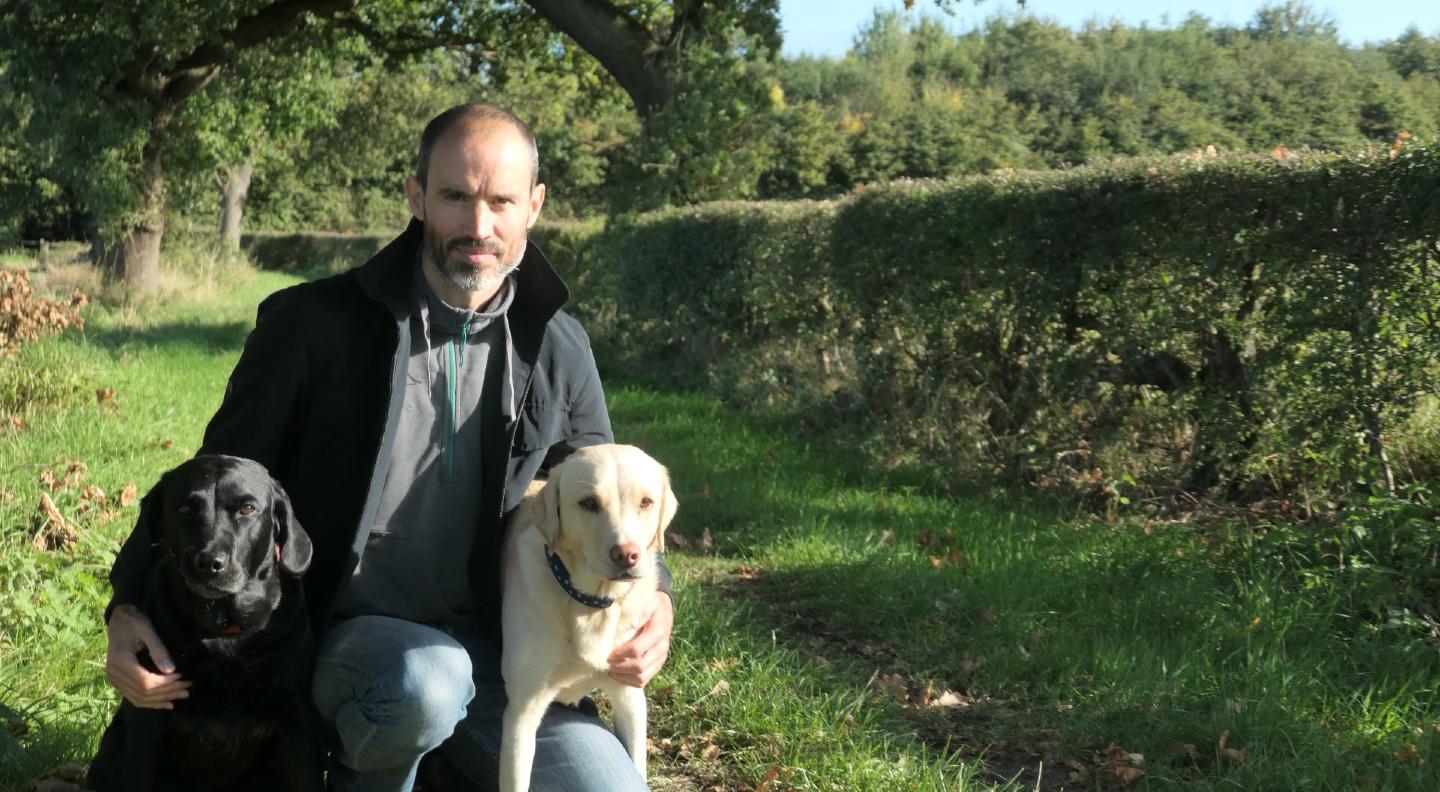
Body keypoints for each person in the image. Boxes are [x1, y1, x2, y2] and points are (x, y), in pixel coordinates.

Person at [101, 103, 673, 792]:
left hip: (505, 657)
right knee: (425, 683)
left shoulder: (559, 347)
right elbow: (211, 486)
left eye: (501, 201)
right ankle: (364, 761)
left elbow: (614, 495)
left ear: (536, 206)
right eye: (455, 197)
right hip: (345, 643)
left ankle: (428, 761)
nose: (478, 226)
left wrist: (658, 598)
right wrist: (128, 604)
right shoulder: (312, 326)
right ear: (416, 197)